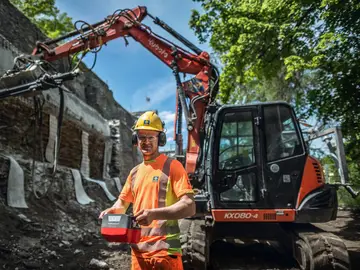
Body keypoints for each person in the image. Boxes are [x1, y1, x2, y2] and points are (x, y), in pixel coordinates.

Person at [99, 111, 196, 270]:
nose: (146, 142)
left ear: (160, 139)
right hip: (138, 250)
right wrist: (111, 211)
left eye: (151, 137)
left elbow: (189, 206)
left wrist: (154, 214)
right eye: (142, 137)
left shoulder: (173, 166)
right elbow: (122, 203)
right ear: (135, 140)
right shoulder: (135, 172)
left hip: (166, 250)